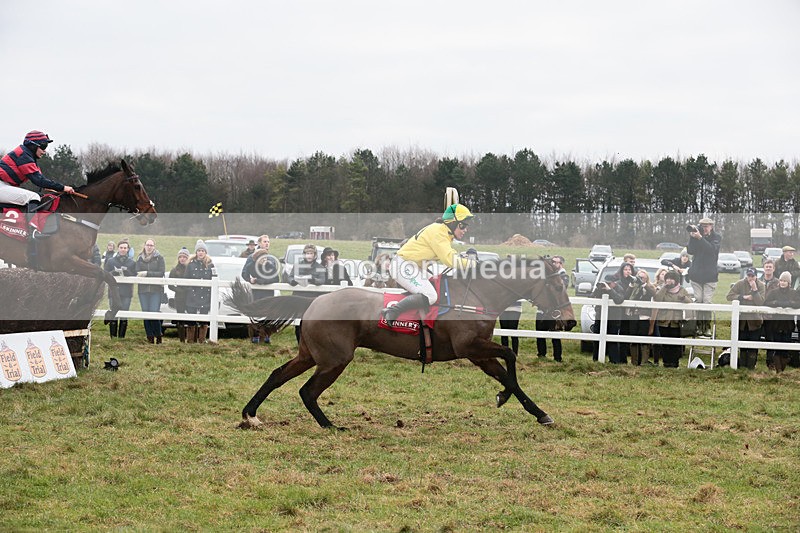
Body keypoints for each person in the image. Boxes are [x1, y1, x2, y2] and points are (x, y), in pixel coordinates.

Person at [382, 203, 475, 327]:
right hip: (403, 266)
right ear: (453, 223)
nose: (465, 230)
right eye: (463, 226)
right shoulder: (440, 233)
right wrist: (473, 264)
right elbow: (450, 260)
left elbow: (451, 255)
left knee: (439, 286)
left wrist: (466, 259)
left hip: (413, 266)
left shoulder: (443, 232)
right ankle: (392, 312)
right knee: (430, 296)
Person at [0, 131, 75, 211]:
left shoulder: (27, 156)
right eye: (43, 146)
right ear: (33, 146)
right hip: (2, 186)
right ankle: (32, 220)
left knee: (38, 196)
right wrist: (62, 188)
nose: (44, 151)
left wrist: (55, 188)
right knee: (34, 197)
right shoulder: (23, 156)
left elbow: (41, 179)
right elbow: (39, 181)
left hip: (5, 185)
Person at [649, 270, 693, 368]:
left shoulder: (682, 290)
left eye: (672, 279)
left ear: (676, 280)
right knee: (665, 344)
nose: (669, 280)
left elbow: (690, 301)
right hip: (663, 321)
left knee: (675, 344)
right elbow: (657, 299)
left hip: (676, 322)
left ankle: (674, 363)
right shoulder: (663, 289)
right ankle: (666, 362)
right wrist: (665, 287)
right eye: (667, 278)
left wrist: (683, 299)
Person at [686, 217, 721, 337]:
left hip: (710, 276)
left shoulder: (716, 237)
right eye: (702, 226)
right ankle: (698, 326)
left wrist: (700, 238)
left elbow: (711, 250)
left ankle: (706, 327)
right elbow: (690, 251)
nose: (704, 228)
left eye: (706, 226)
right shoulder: (696, 236)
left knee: (706, 301)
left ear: (711, 226)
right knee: (698, 300)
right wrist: (692, 237)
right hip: (696, 275)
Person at [726, 268, 766, 369]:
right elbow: (729, 296)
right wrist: (743, 297)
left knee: (753, 345)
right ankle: (742, 367)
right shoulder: (740, 283)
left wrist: (755, 290)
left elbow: (760, 302)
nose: (750, 278)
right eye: (749, 276)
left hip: (755, 321)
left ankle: (751, 367)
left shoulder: (761, 285)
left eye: (752, 276)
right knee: (742, 345)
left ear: (756, 276)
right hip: (742, 321)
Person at [764, 271, 800, 373]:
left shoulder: (794, 293)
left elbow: (798, 303)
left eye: (785, 281)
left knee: (785, 350)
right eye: (781, 280)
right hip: (775, 324)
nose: (782, 283)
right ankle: (779, 372)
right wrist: (776, 303)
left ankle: (781, 370)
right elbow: (766, 302)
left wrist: (788, 303)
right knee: (776, 348)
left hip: (788, 325)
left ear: (789, 282)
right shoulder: (774, 292)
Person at [288, 244, 325, 343]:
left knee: (312, 322)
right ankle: (300, 343)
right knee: (298, 322)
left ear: (315, 255)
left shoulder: (320, 267)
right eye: (307, 253)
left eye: (311, 253)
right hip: (299, 298)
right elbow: (290, 277)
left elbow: (322, 280)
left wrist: (313, 280)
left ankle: (312, 343)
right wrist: (293, 281)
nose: (309, 255)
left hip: (312, 299)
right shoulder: (297, 265)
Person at [103, 240, 137, 338]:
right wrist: (113, 272)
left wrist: (127, 272)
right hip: (113, 291)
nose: (123, 249)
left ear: (128, 249)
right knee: (113, 313)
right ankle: (113, 337)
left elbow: (135, 275)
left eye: (125, 248)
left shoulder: (132, 262)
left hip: (126, 292)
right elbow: (105, 273)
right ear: (118, 248)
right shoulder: (110, 261)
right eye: (121, 247)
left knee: (124, 314)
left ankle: (121, 337)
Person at [536, 255, 566, 361]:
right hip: (542, 310)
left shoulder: (563, 276)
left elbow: (560, 289)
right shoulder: (545, 275)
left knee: (555, 335)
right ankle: (541, 355)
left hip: (555, 311)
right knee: (539, 333)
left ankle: (557, 357)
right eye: (552, 262)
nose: (554, 264)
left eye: (556, 262)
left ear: (561, 264)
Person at [136, 239, 166, 344]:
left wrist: (147, 273)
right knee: (145, 313)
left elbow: (161, 273)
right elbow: (137, 271)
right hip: (143, 290)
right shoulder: (139, 258)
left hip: (155, 290)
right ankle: (149, 336)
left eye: (151, 245)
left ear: (154, 246)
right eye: (148, 245)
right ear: (144, 246)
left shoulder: (159, 258)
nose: (149, 247)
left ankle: (158, 334)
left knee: (153, 312)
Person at [185, 240, 215, 343]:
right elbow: (186, 279)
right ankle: (190, 340)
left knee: (204, 319)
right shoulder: (190, 265)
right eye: (199, 251)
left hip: (205, 295)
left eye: (202, 250)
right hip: (192, 295)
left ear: (205, 252)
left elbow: (214, 278)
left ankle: (202, 340)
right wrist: (190, 291)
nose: (201, 253)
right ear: (196, 252)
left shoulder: (210, 265)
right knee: (191, 319)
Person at [590, 274, 626, 363]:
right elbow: (591, 297)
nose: (607, 284)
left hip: (613, 318)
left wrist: (610, 290)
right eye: (606, 283)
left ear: (614, 283)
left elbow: (619, 300)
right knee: (597, 339)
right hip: (600, 317)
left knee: (612, 340)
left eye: (609, 283)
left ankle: (614, 361)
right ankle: (596, 359)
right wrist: (598, 289)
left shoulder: (619, 288)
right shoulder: (601, 288)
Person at [627, 269, 657, 365]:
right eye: (639, 277)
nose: (641, 279)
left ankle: (644, 361)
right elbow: (626, 296)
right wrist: (632, 284)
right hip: (633, 314)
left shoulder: (649, 286)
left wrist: (644, 284)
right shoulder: (634, 287)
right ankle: (634, 361)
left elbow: (653, 294)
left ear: (646, 278)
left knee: (644, 338)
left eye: (643, 277)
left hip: (644, 315)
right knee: (633, 337)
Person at [168, 247, 191, 343]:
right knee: (180, 318)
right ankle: (182, 339)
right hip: (179, 297)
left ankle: (191, 339)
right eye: (180, 257)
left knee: (190, 318)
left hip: (190, 296)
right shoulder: (174, 270)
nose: (182, 259)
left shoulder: (191, 269)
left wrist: (188, 290)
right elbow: (170, 285)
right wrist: (180, 291)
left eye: (184, 257)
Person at [760, 259, 780, 368]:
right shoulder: (758, 281)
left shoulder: (778, 283)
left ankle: (770, 362)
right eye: (766, 266)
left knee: (770, 338)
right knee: (755, 338)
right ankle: (752, 362)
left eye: (770, 267)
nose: (768, 268)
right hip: (758, 315)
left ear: (774, 269)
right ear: (763, 268)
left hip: (771, 316)